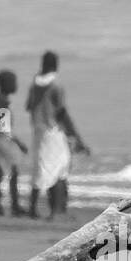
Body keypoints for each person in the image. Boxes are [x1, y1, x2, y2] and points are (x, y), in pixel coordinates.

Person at [25, 50, 90, 218]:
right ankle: (56, 211)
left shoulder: (34, 83)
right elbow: (62, 113)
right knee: (60, 167)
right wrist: (77, 137)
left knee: (40, 168)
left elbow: (28, 106)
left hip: (38, 131)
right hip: (52, 131)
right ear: (56, 65)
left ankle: (32, 208)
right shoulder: (56, 85)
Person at [0, 69, 28, 216]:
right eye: (14, 82)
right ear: (7, 84)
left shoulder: (0, 101)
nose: (16, 85)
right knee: (11, 171)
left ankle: (0, 208)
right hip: (1, 141)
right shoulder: (2, 103)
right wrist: (18, 143)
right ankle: (13, 206)